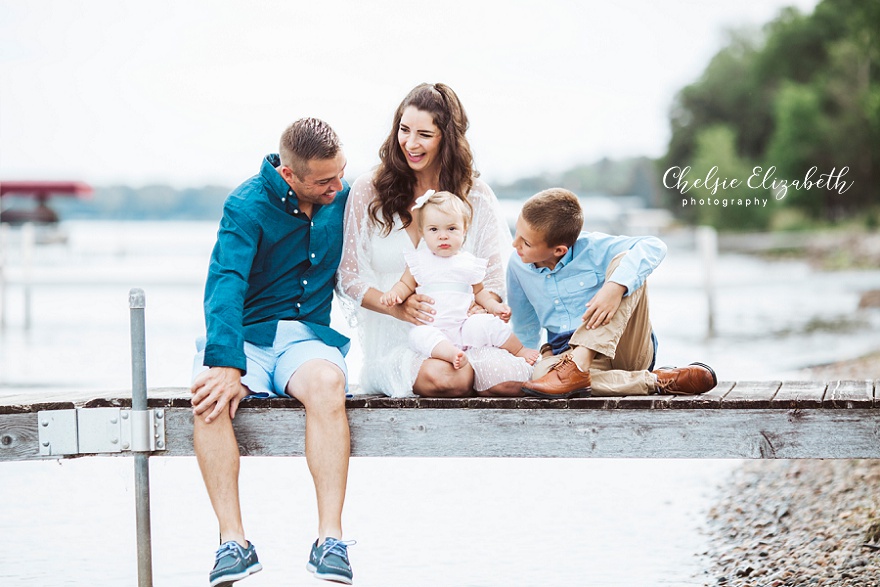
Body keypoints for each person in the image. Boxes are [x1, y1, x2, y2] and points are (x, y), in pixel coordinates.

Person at [190, 118, 355, 586]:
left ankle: (330, 540)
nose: (338, 187)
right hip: (248, 336)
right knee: (208, 399)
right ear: (289, 174)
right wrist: (224, 362)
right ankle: (233, 543)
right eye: (325, 180)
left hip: (306, 338)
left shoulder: (341, 194)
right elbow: (226, 282)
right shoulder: (245, 206)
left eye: (341, 173)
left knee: (328, 384)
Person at [337, 82, 532, 397]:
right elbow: (347, 278)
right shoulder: (367, 190)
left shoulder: (476, 195)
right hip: (397, 343)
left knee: (510, 379)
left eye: (424, 135)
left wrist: (485, 307)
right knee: (448, 377)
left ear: (448, 139)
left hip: (463, 332)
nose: (410, 144)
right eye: (404, 130)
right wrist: (397, 308)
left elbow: (493, 274)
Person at [507, 188, 717, 397]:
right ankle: (657, 380)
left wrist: (614, 287)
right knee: (538, 375)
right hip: (566, 360)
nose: (515, 244)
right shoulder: (517, 266)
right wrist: (525, 362)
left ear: (559, 250)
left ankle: (579, 365)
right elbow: (526, 326)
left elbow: (654, 245)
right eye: (517, 233)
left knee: (625, 261)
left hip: (625, 349)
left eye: (526, 242)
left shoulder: (594, 248)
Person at [380, 189, 540, 369]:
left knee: (487, 323)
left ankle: (519, 350)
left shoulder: (468, 263)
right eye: (433, 229)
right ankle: (451, 354)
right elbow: (405, 284)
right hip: (433, 327)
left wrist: (495, 307)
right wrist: (394, 294)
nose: (443, 235)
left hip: (465, 326)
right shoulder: (419, 261)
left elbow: (480, 293)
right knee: (418, 336)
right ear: (423, 233)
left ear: (464, 230)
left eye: (451, 228)